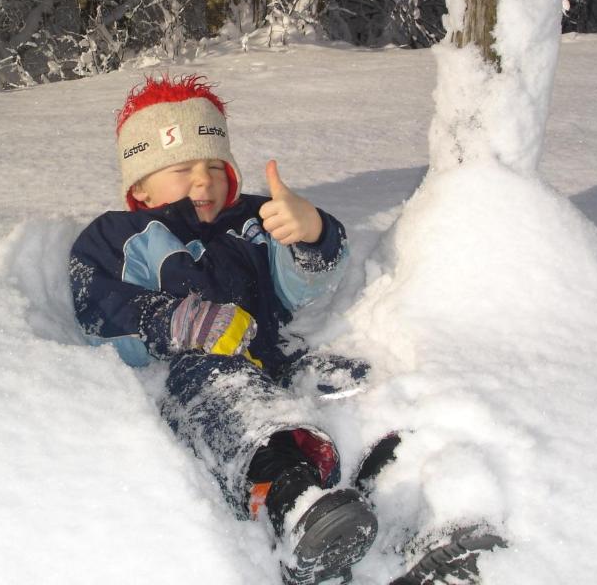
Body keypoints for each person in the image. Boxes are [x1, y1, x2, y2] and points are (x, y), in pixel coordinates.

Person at [68, 74, 391, 584]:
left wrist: (311, 234)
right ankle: (290, 503)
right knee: (227, 393)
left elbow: (301, 286)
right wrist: (176, 321)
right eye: (182, 169)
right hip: (193, 384)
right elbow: (98, 304)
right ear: (140, 185)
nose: (204, 181)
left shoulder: (251, 222)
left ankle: (397, 502)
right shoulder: (119, 236)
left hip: (277, 361)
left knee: (366, 390)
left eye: (215, 166)